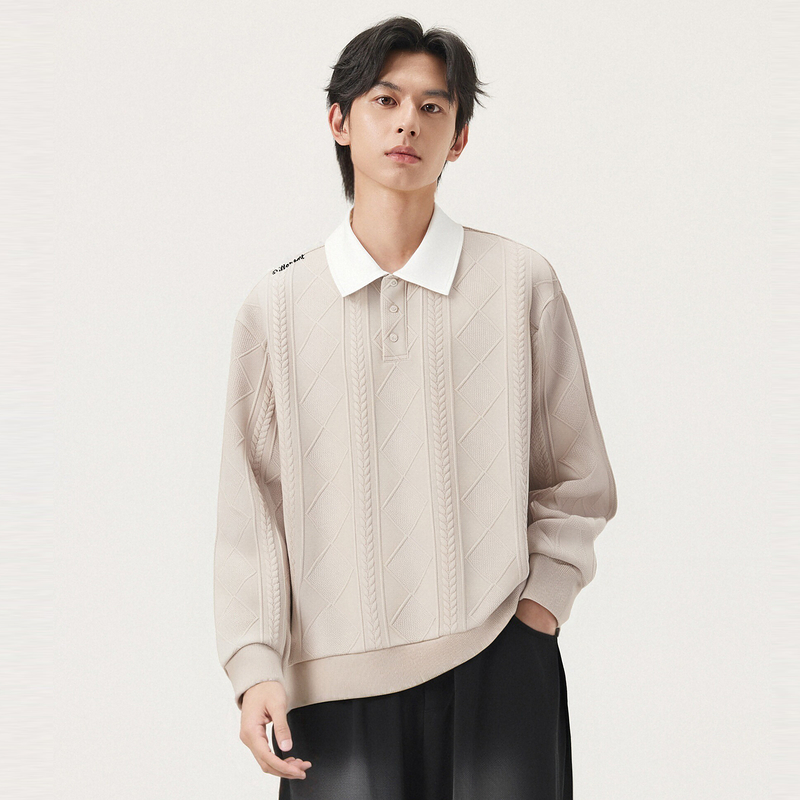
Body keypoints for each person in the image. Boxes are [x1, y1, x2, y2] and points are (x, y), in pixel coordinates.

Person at [214, 15, 617, 799]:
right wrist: (254, 663)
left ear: (459, 138)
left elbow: (576, 477)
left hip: (501, 658)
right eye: (385, 99)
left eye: (434, 107)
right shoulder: (277, 309)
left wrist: (540, 607)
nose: (409, 122)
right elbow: (250, 509)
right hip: (332, 682)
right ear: (339, 120)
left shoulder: (520, 284)